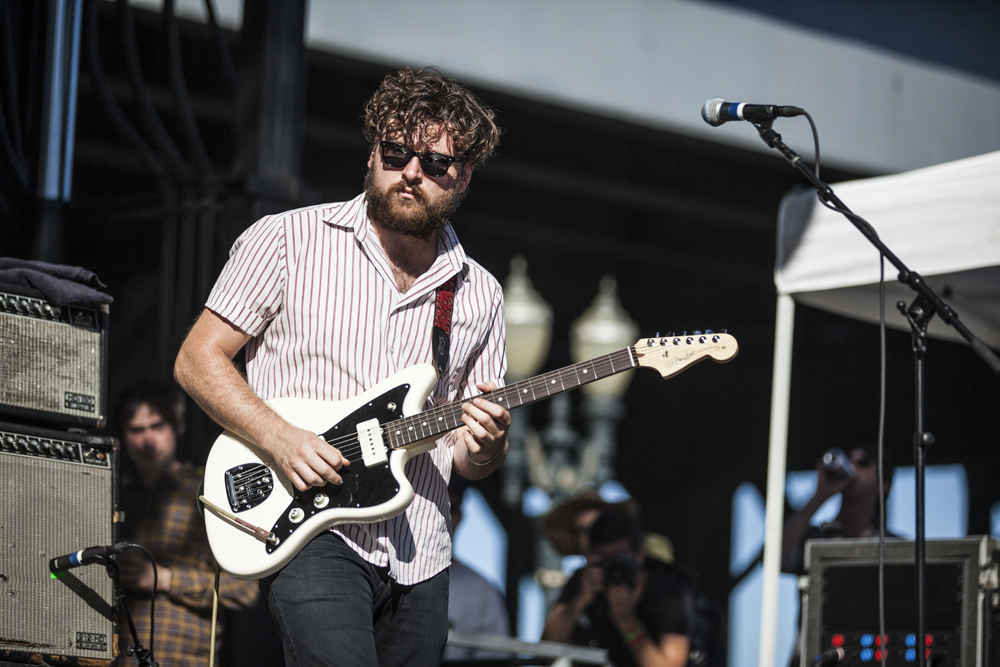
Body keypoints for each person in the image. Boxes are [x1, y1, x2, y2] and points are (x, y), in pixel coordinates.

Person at [174, 67, 509, 667]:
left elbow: (466, 455)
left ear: (463, 178)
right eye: (397, 151)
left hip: (422, 550)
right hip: (309, 525)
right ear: (373, 150)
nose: (411, 172)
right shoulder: (285, 240)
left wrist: (487, 446)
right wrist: (279, 437)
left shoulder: (479, 292)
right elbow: (198, 359)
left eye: (435, 163)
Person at [115, 382, 259, 667]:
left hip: (183, 659)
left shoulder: (210, 495)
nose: (148, 441)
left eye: (157, 426)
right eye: (137, 430)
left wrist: (165, 579)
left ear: (179, 426)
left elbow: (245, 590)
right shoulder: (112, 495)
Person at [542, 509, 695, 667]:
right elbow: (546, 649)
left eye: (621, 559)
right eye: (606, 562)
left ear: (640, 555)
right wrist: (579, 600)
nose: (614, 570)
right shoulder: (584, 581)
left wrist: (627, 622)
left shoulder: (669, 592)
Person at [781, 445, 895, 575]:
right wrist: (819, 496)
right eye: (848, 460)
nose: (852, 465)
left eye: (863, 463)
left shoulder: (894, 547)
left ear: (884, 485)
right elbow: (776, 558)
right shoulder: (816, 539)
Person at [445, 481, 511, 662]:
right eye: (436, 504)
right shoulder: (382, 574)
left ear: (460, 517)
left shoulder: (482, 591)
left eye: (452, 509)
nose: (443, 516)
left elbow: (495, 660)